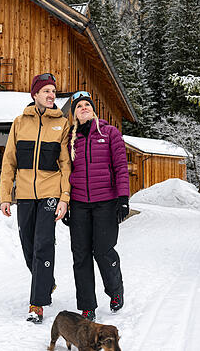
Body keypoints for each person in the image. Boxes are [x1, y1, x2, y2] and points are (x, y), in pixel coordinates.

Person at [0, 73, 71, 323]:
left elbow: (65, 164)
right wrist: (5, 196)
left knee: (43, 244)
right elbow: (9, 161)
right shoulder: (19, 123)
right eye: (46, 91)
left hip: (51, 193)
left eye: (53, 91)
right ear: (35, 95)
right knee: (27, 244)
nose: (52, 95)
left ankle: (37, 304)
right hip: (26, 194)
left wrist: (64, 198)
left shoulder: (62, 124)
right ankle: (46, 281)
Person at [65, 90, 129, 321]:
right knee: (80, 255)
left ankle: (115, 290)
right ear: (74, 113)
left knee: (103, 250)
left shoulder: (110, 133)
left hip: (106, 203)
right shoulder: (70, 139)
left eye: (87, 105)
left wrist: (123, 199)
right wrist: (66, 203)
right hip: (79, 204)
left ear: (93, 109)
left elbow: (121, 167)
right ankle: (87, 306)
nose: (84, 108)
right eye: (79, 106)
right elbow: (65, 173)